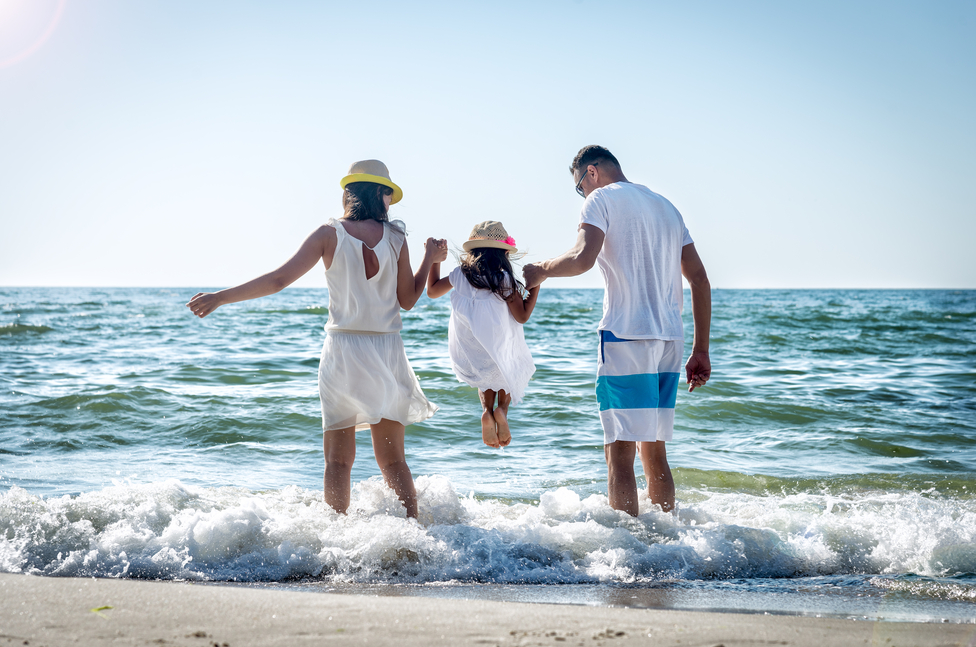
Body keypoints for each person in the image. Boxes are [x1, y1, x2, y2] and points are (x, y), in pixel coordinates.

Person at [186, 160, 442, 519]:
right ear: (382, 194)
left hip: (342, 352)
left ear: (349, 193)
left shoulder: (328, 233)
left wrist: (221, 297)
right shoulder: (397, 238)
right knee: (394, 460)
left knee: (338, 461)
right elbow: (407, 300)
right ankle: (414, 538)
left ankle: (333, 539)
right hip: (386, 350)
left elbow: (278, 280)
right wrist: (431, 258)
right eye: (388, 195)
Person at [523, 145, 711, 515]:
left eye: (579, 186)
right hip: (670, 339)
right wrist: (701, 349)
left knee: (619, 451)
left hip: (626, 334)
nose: (582, 194)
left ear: (591, 172)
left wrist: (541, 270)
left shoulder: (600, 200)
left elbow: (581, 259)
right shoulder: (667, 206)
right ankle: (666, 543)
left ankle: (628, 555)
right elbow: (700, 279)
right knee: (654, 448)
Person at [427, 221, 539, 448]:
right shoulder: (504, 280)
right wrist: (535, 286)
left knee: (485, 377)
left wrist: (435, 261)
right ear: (503, 254)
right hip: (499, 347)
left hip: (470, 348)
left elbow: (432, 291)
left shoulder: (459, 275)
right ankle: (501, 410)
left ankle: (487, 411)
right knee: (506, 372)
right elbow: (522, 316)